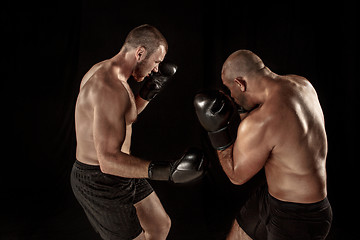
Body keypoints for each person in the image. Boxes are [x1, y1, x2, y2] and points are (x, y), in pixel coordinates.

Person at [71, 24, 204, 240]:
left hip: (121, 170)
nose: (156, 70)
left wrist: (148, 93)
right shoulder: (108, 87)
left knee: (159, 225)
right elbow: (107, 160)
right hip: (99, 180)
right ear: (140, 52)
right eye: (156, 62)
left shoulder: (111, 74)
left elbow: (124, 119)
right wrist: (167, 171)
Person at [194, 50, 332, 240]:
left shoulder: (263, 121)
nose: (230, 96)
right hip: (273, 198)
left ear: (240, 83)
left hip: (298, 220)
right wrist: (243, 108)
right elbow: (274, 137)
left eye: (229, 89)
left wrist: (216, 132)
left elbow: (236, 176)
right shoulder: (302, 84)